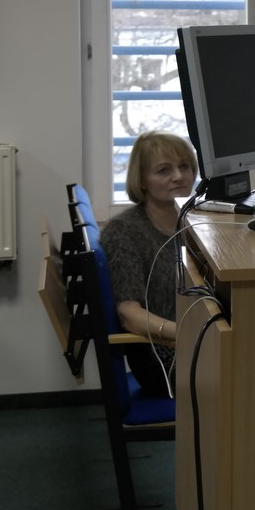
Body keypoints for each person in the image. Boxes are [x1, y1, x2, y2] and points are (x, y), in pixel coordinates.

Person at [99, 130, 197, 397]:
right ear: (142, 180)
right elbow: (128, 314)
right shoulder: (124, 232)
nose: (178, 176)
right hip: (162, 358)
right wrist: (186, 333)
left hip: (196, 339)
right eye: (164, 170)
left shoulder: (195, 219)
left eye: (184, 166)